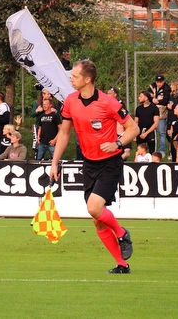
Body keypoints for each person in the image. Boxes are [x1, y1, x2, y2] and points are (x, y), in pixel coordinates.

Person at [51, 60, 139, 274]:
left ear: (87, 79)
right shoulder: (71, 101)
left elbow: (133, 129)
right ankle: (122, 264)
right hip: (89, 163)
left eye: (74, 76)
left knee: (94, 208)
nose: (71, 79)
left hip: (110, 163)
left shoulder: (109, 102)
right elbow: (64, 133)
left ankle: (121, 233)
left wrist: (118, 143)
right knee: (98, 221)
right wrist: (54, 162)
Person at [150, 74, 171, 156]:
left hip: (162, 113)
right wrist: (152, 99)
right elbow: (148, 95)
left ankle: (162, 150)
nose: (159, 84)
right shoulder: (152, 86)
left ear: (163, 81)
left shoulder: (167, 88)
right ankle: (152, 150)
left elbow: (166, 100)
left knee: (162, 132)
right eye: (158, 82)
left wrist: (157, 101)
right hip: (152, 112)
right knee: (153, 132)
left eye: (161, 82)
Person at [34, 96, 61, 161]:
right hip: (42, 142)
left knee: (55, 160)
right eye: (43, 104)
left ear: (50, 105)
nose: (44, 106)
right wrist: (38, 137)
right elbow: (40, 127)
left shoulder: (55, 116)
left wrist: (55, 140)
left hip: (52, 142)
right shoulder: (41, 116)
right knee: (38, 160)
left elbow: (61, 129)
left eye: (46, 104)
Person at [134, 90, 160, 155]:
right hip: (140, 132)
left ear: (146, 98)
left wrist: (146, 133)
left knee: (152, 153)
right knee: (140, 152)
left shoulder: (154, 108)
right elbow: (136, 121)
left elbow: (156, 123)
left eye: (140, 96)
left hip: (150, 132)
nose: (138, 98)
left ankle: (152, 164)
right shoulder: (138, 109)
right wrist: (134, 134)